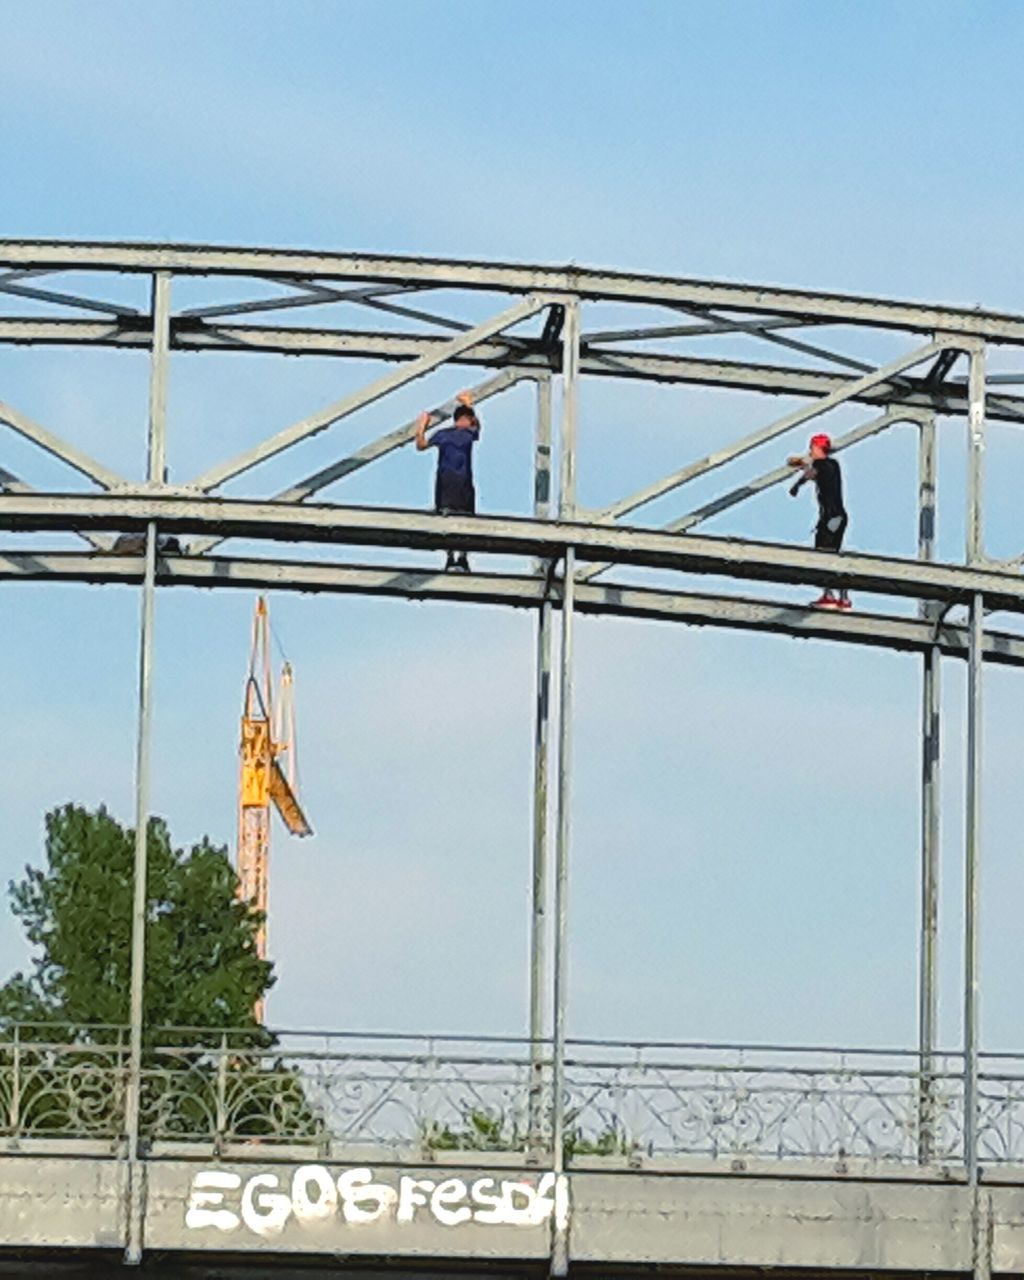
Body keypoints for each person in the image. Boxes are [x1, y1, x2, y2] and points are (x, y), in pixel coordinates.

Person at [416, 391, 480, 572]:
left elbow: (421, 445)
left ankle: (460, 557)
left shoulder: (462, 434)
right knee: (453, 517)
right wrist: (421, 426)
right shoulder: (455, 434)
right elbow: (421, 445)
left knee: (463, 518)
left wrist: (422, 426)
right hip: (450, 482)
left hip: (458, 482)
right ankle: (453, 557)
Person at [787, 432, 850, 609]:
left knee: (822, 555)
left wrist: (795, 486)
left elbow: (810, 471)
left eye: (811, 448)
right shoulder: (834, 464)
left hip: (829, 517)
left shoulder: (819, 464)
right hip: (841, 517)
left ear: (816, 448)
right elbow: (811, 467)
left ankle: (828, 596)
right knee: (835, 554)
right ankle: (843, 598)